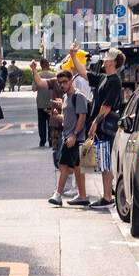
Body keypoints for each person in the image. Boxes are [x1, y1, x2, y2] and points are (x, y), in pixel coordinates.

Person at [86, 48, 126, 210]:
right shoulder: (104, 77)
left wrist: (95, 122)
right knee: (103, 161)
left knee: (104, 161)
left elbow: (106, 107)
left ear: (113, 62)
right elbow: (84, 74)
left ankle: (107, 197)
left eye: (107, 57)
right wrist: (74, 56)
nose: (104, 58)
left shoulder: (114, 81)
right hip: (101, 125)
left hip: (104, 125)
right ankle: (107, 195)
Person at [48, 70, 92, 208]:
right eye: (59, 82)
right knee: (77, 168)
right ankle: (82, 196)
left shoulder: (78, 96)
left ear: (71, 80)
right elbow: (68, 118)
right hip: (69, 137)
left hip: (75, 138)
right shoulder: (67, 96)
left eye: (65, 82)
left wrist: (74, 134)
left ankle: (58, 194)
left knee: (64, 166)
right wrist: (57, 116)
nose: (62, 85)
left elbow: (82, 117)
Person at [30, 58, 57, 148]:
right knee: (51, 122)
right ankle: (50, 140)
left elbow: (34, 89)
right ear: (48, 64)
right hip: (52, 103)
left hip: (41, 103)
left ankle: (42, 140)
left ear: (41, 65)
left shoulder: (37, 75)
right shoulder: (54, 75)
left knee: (41, 124)